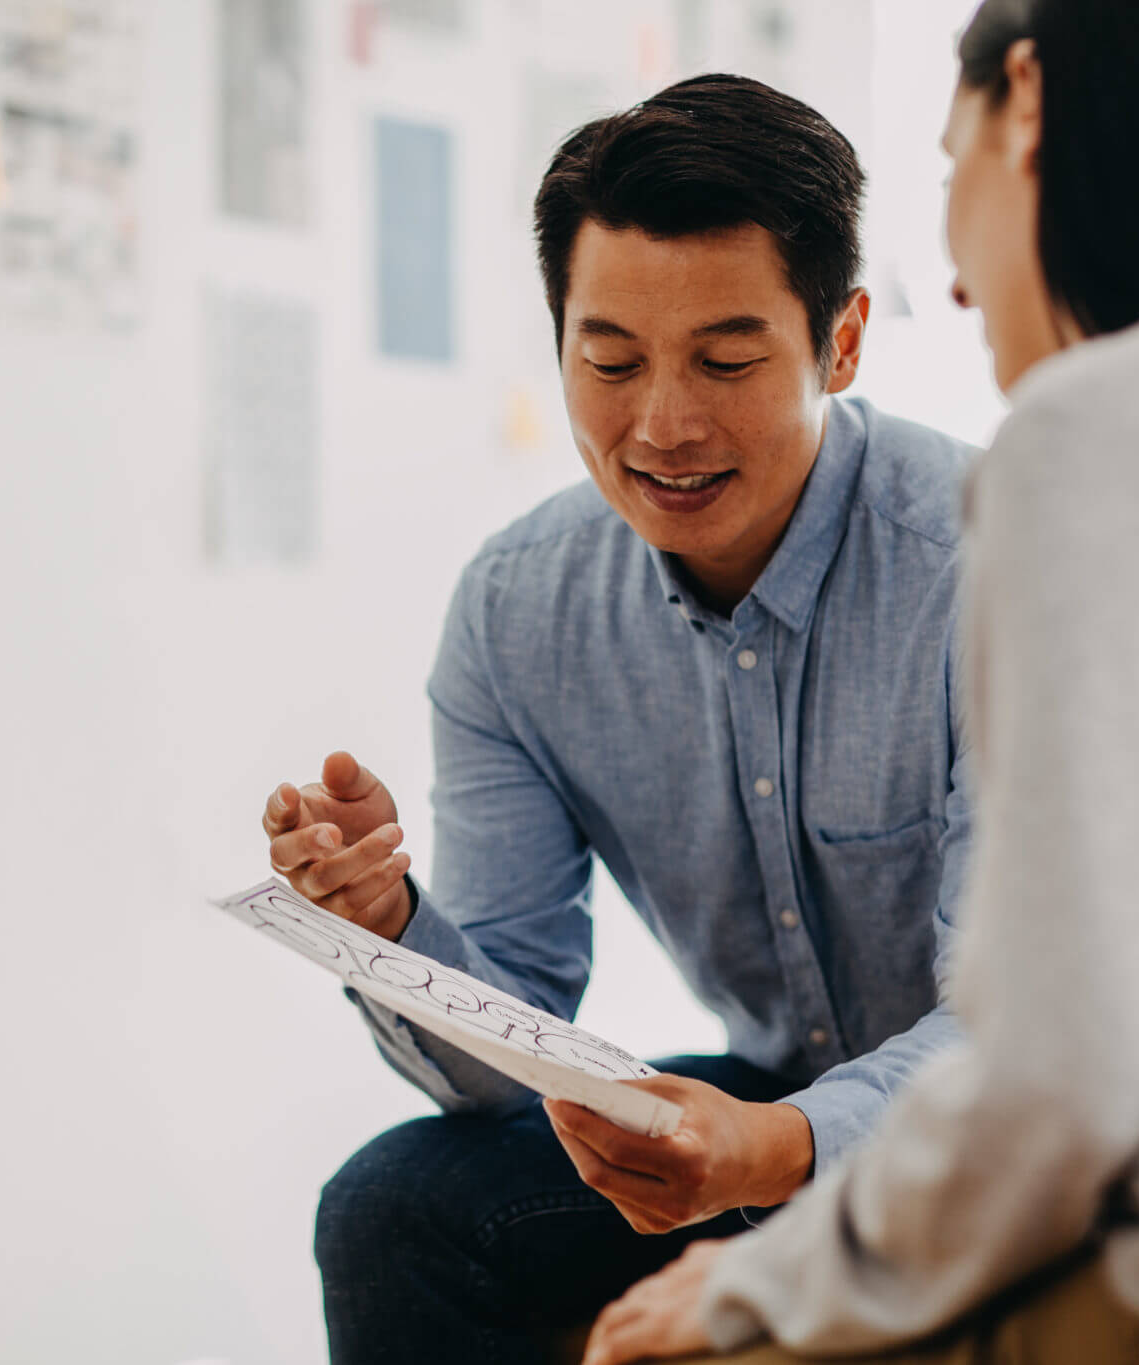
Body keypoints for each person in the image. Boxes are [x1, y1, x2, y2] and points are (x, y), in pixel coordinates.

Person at [576, 2, 1139, 1361]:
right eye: (613, 358)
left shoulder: (1103, 431)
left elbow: (1058, 1081)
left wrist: (764, 1289)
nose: (959, 269)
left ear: (1029, 98)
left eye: (947, 166)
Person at [261, 75, 980, 1364]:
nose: (662, 426)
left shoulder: (995, 567)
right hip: (781, 1101)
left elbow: (1032, 1026)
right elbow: (503, 1059)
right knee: (398, 1206)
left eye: (727, 359)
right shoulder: (518, 611)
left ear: (844, 341)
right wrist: (389, 934)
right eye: (610, 362)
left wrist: (775, 1150)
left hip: (1006, 1124)